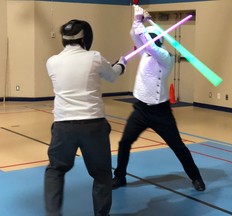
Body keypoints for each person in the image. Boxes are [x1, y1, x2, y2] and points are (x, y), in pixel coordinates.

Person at [112, 5, 205, 192]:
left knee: (177, 146)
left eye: (149, 38)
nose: (144, 42)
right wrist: (138, 20)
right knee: (125, 143)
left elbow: (148, 44)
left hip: (160, 111)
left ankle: (196, 177)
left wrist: (140, 22)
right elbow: (135, 34)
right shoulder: (145, 52)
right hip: (140, 110)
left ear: (158, 40)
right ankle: (119, 177)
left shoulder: (164, 56)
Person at [44, 19, 126, 216]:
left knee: (56, 171)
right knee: (101, 174)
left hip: (63, 127)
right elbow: (113, 76)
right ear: (86, 38)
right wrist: (121, 64)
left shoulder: (52, 62)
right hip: (93, 125)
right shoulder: (94, 58)